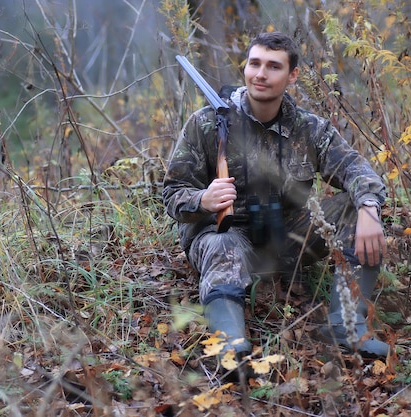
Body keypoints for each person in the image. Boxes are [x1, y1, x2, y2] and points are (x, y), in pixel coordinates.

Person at [163, 32, 391, 366]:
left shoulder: (310, 129)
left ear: (292, 75)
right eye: (254, 63)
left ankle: (346, 328)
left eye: (273, 66)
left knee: (357, 209)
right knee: (219, 243)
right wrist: (203, 200)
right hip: (227, 239)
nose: (261, 74)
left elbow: (358, 171)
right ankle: (230, 344)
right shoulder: (207, 124)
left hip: (286, 240)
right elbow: (172, 193)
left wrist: (369, 209)